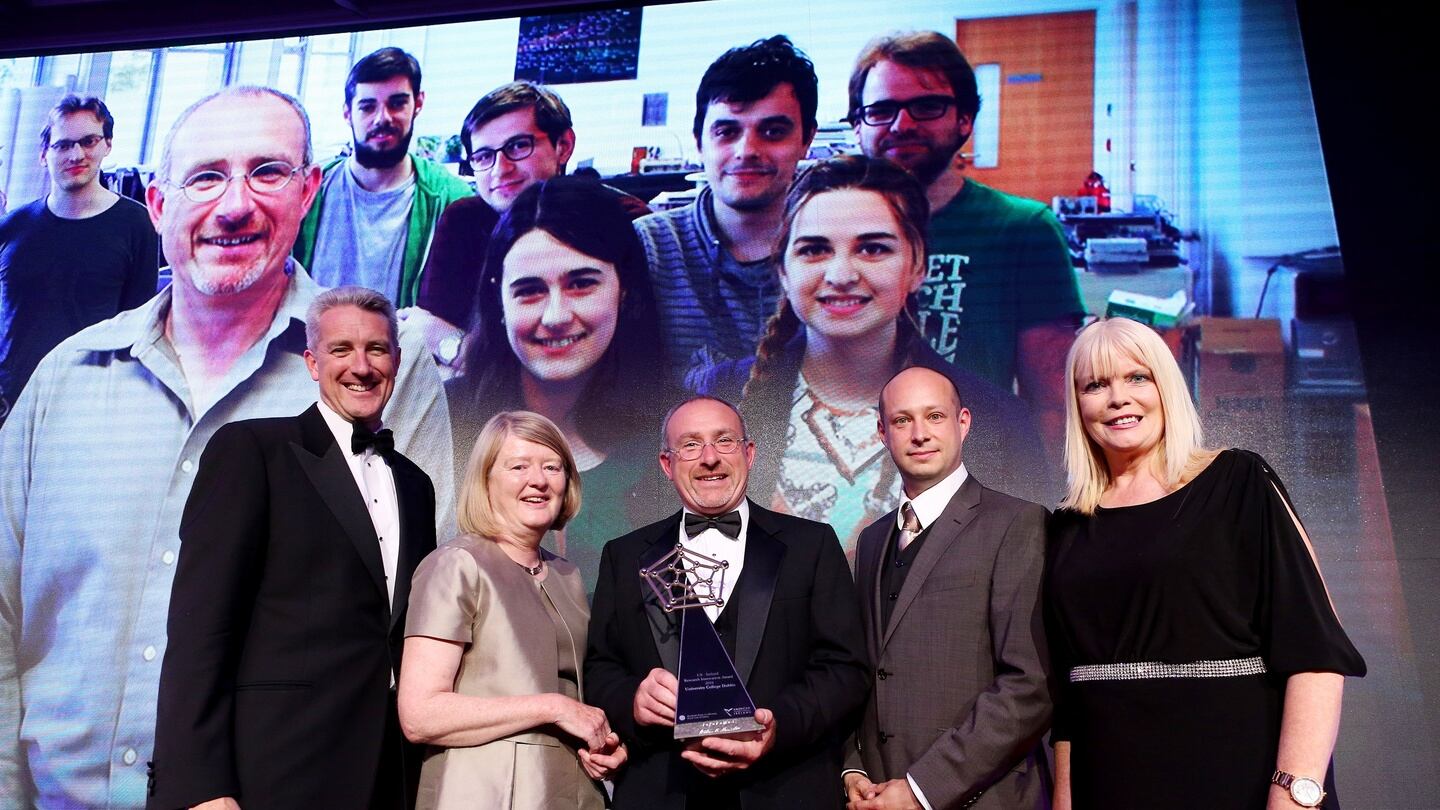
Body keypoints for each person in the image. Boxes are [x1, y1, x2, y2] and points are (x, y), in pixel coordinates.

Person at [0, 86, 453, 809]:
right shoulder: (67, 378)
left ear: (307, 192)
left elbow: (428, 624)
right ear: (156, 204)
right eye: (206, 177)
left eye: (268, 173)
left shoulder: (384, 380)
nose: (235, 204)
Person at [1045, 317, 1366, 809]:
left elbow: (1315, 655)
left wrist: (1294, 797)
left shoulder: (1238, 482)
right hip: (1113, 786)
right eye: (1095, 385)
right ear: (1077, 405)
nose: (1118, 398)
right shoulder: (1066, 527)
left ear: (1166, 387)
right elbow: (1068, 704)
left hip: (1237, 778)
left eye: (1137, 377)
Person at [149, 286, 437, 809]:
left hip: (387, 777)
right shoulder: (252, 450)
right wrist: (199, 786)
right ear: (311, 362)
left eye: (377, 349)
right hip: (274, 769)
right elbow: (200, 628)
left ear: (395, 360)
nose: (362, 366)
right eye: (341, 349)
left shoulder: (416, 486)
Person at [709, 155, 1051, 554]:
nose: (840, 275)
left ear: (917, 264)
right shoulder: (718, 400)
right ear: (783, 270)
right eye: (814, 250)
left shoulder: (997, 424)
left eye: (872, 249)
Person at [584, 395, 870, 810]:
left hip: (785, 790)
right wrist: (633, 700)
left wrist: (778, 728)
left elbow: (845, 669)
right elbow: (600, 668)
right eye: (690, 445)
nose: (709, 458)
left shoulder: (812, 545)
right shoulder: (624, 556)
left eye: (724, 441)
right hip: (662, 792)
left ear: (749, 453)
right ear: (667, 465)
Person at [848, 31, 1086, 446]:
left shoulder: (1023, 229)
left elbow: (1053, 405)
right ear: (857, 126)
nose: (902, 125)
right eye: (881, 110)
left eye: (926, 106)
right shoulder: (829, 231)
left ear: (964, 119)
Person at [446, 176, 675, 591]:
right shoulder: (444, 422)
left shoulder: (678, 439)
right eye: (529, 291)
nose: (555, 316)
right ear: (499, 300)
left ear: (624, 290)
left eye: (581, 284)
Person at [843, 366, 1051, 810]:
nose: (919, 434)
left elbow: (1029, 684)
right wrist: (853, 763)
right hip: (877, 796)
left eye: (935, 416)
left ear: (963, 423)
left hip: (982, 797)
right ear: (882, 432)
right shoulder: (872, 539)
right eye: (902, 421)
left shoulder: (1018, 522)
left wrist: (921, 790)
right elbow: (865, 669)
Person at [398, 410, 627, 809]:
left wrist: (605, 742)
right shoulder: (456, 565)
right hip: (481, 794)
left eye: (552, 466)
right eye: (518, 466)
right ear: (486, 480)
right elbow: (420, 715)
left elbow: (580, 700)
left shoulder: (568, 576)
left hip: (572, 794)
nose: (538, 480)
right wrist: (553, 707)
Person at [413, 81, 650, 371]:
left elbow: (625, 356)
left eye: (518, 146)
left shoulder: (624, 219)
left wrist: (457, 348)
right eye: (484, 156)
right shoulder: (463, 220)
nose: (500, 169)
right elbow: (426, 329)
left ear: (563, 146)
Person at [633, 35, 817, 388]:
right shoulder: (646, 248)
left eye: (773, 131)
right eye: (727, 131)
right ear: (699, 141)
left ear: (806, 139)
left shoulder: (834, 253)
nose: (746, 150)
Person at [0, 94, 158, 418]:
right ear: (44, 155)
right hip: (8, 406)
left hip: (85, 409)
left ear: (107, 145)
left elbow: (140, 329)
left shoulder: (137, 224)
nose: (76, 154)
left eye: (88, 141)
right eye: (63, 145)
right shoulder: (12, 227)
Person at [291, 47, 473, 308]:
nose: (382, 118)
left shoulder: (451, 200)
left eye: (397, 103)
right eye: (367, 107)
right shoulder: (308, 191)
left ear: (418, 103)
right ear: (347, 113)